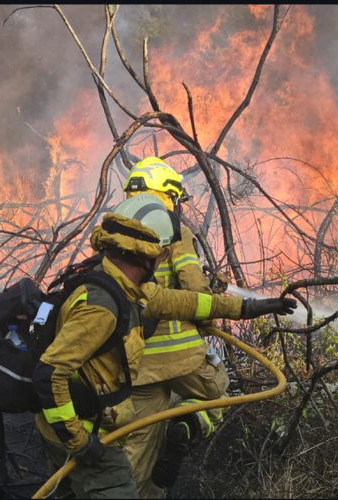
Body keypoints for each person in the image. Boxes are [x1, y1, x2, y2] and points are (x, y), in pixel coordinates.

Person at [32, 193, 297, 499]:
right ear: (144, 256)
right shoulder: (101, 307)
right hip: (84, 433)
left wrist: (248, 308)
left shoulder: (120, 284)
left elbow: (182, 301)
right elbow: (49, 374)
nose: (160, 261)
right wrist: (79, 441)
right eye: (158, 255)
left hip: (65, 429)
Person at [121, 157, 243, 497]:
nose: (175, 205)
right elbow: (193, 288)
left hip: (133, 366)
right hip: (176, 358)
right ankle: (187, 426)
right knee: (218, 389)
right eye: (173, 197)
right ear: (164, 195)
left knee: (138, 452)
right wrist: (209, 312)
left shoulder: (116, 233)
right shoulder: (174, 233)